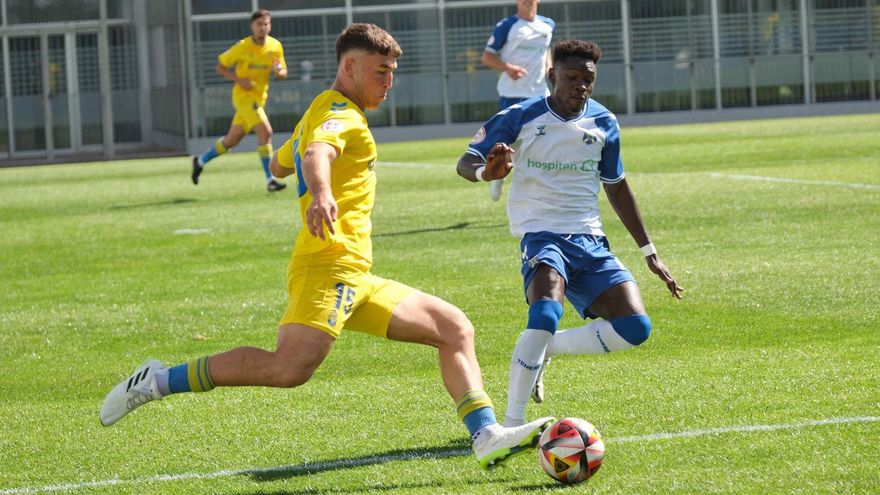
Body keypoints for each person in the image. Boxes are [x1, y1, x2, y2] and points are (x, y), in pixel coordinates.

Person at [101, 23, 552, 470]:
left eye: (392, 71)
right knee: (288, 369)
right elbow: (318, 154)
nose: (388, 81)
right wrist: (320, 192)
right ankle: (157, 380)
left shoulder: (319, 108)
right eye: (380, 71)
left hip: (355, 272)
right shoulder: (341, 114)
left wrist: (303, 160)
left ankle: (486, 434)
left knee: (453, 328)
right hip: (328, 266)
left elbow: (281, 164)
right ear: (350, 67)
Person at [457, 39, 683, 427]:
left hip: (589, 239)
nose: (580, 86)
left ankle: (548, 350)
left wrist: (649, 251)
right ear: (551, 76)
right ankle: (511, 424)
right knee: (545, 312)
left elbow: (616, 185)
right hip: (541, 235)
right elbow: (467, 161)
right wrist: (484, 173)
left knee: (635, 327)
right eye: (572, 77)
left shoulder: (604, 123)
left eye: (588, 79)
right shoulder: (521, 115)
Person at [191, 9, 289, 193]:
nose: (263, 27)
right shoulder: (242, 46)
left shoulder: (275, 46)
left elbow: (283, 72)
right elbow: (220, 67)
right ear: (252, 26)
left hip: (259, 99)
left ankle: (200, 160)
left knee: (232, 140)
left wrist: (279, 71)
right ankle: (271, 179)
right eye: (259, 24)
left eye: (267, 24)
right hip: (243, 98)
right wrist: (239, 79)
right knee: (265, 131)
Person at [481, 0, 554, 202]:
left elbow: (546, 50)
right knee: (508, 144)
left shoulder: (548, 24)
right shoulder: (507, 26)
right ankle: (498, 174)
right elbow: (487, 57)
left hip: (540, 93)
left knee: (545, 142)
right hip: (513, 94)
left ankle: (540, 191)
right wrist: (507, 68)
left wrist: (550, 68)